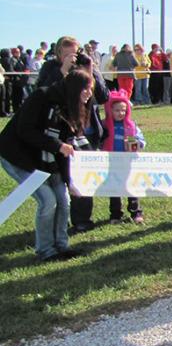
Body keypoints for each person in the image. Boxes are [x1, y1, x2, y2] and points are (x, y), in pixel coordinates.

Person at [0, 69, 95, 262]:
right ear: (75, 88)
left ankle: (62, 245)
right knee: (47, 200)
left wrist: (69, 181)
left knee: (63, 199)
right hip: (19, 156)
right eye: (86, 89)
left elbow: (66, 149)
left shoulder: (73, 109)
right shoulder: (42, 96)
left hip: (50, 159)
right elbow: (25, 130)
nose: (89, 94)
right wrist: (57, 146)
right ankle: (45, 250)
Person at [36, 36, 110, 233]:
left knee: (83, 176)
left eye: (75, 53)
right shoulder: (50, 69)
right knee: (60, 178)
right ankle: (58, 220)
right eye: (67, 54)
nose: (72, 57)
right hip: (59, 131)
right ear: (58, 53)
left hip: (87, 130)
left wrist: (91, 70)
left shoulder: (86, 66)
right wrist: (63, 71)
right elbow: (41, 94)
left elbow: (103, 96)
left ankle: (82, 219)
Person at [101, 90, 146, 224]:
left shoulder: (131, 126)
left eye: (123, 110)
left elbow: (141, 140)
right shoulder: (105, 126)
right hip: (111, 162)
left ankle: (136, 212)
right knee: (114, 188)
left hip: (128, 162)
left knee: (131, 186)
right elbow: (100, 141)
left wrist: (138, 143)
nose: (121, 113)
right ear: (110, 110)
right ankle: (115, 214)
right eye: (117, 110)